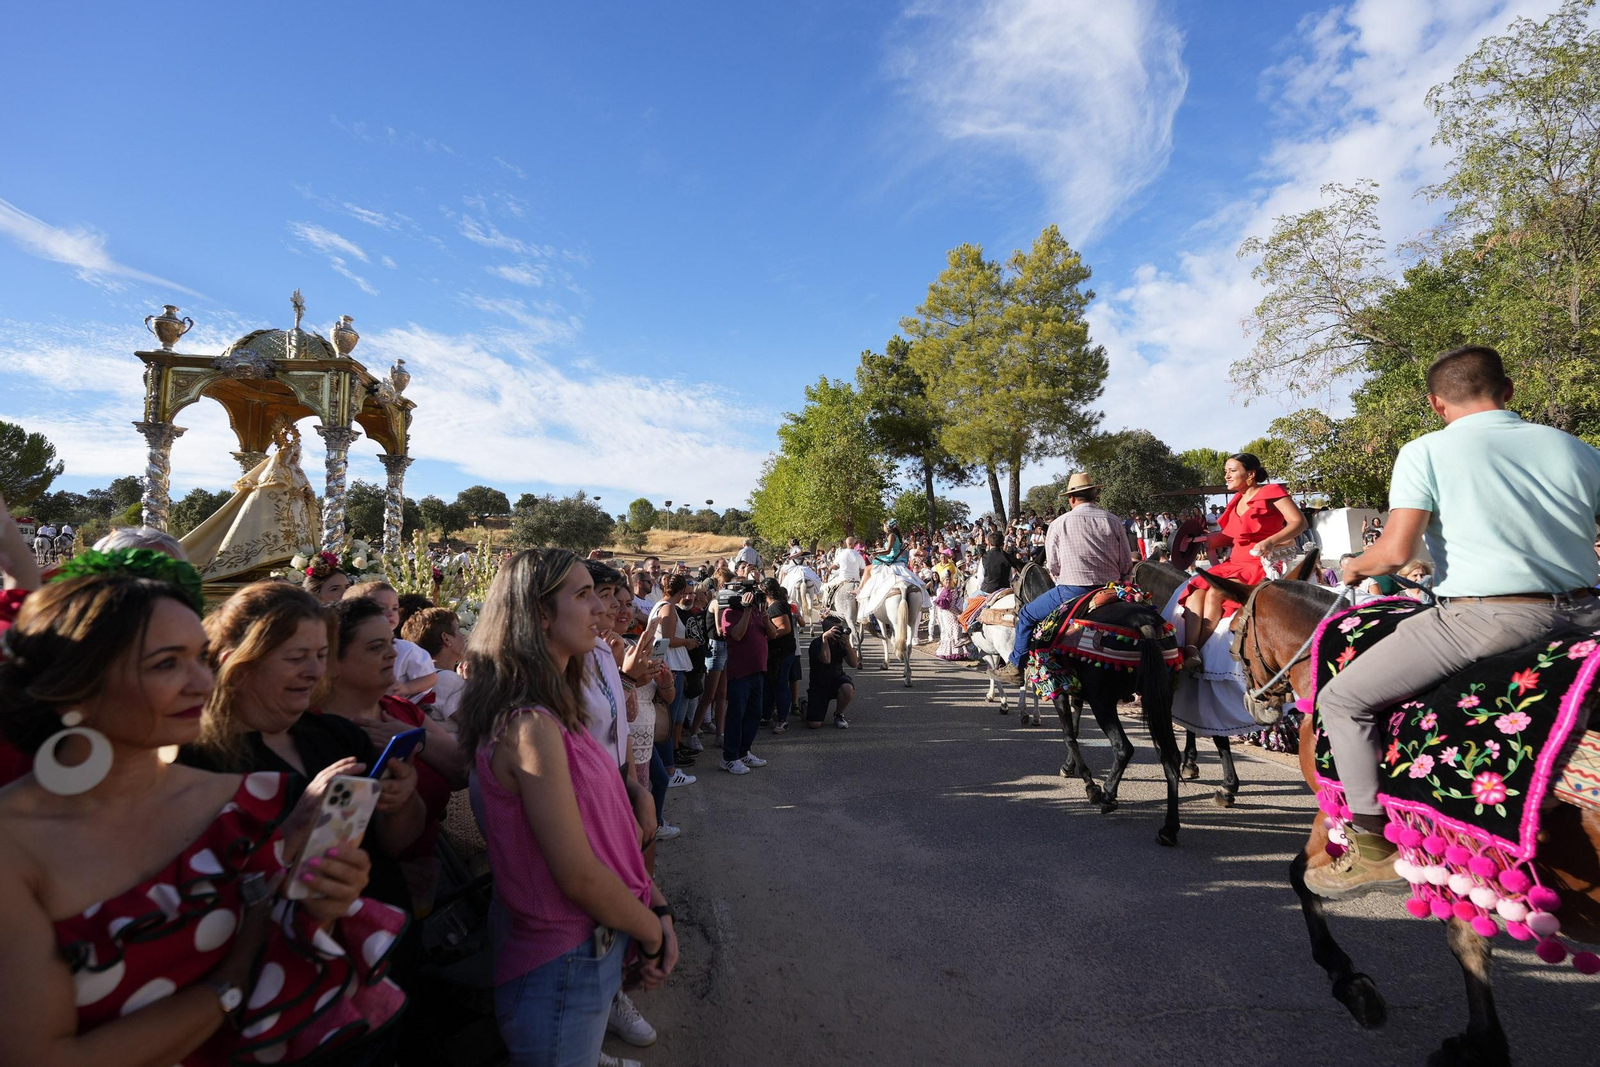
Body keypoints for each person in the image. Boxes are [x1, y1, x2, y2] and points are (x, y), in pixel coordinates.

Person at [0, 572, 402, 1066]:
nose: (203, 681)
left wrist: (314, 908)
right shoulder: (15, 846)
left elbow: (290, 980)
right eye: (168, 664)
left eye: (198, 657)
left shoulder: (245, 804)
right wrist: (228, 985)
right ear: (75, 686)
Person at [1306, 345, 1600, 898]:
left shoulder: (1427, 451)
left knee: (1341, 701)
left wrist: (1353, 565)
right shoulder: (1579, 449)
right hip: (1588, 614)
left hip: (1488, 618)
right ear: (1508, 391)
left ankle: (1372, 847)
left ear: (1436, 403)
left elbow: (1393, 554)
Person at [458, 549, 679, 1067]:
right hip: (560, 963)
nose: (600, 610)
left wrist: (657, 902)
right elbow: (577, 873)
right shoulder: (530, 723)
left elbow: (606, 829)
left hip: (579, 956)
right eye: (583, 596)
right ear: (539, 615)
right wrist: (651, 931)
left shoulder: (557, 705)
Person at [991, 472, 1134, 686]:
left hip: (1073, 591)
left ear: (1072, 499)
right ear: (1095, 495)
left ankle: (1016, 666)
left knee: (1027, 614)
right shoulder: (1113, 520)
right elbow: (1126, 565)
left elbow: (1054, 567)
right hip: (1112, 590)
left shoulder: (1059, 523)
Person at [1178, 453, 1307, 670]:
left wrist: (1270, 541)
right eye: (1226, 471)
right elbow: (1230, 537)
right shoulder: (1237, 500)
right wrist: (1202, 538)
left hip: (1259, 565)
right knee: (1196, 591)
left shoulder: (1271, 492)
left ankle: (1199, 649)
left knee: (1216, 592)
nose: (1226, 475)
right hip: (1233, 564)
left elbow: (1299, 522)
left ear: (1251, 474)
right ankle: (1190, 648)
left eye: (1232, 470)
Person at [719, 583, 777, 774]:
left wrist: (766, 618)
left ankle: (744, 752)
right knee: (736, 715)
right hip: (740, 673)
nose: (751, 600)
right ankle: (730, 757)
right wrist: (745, 611)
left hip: (758, 671)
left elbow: (773, 634)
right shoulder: (729, 613)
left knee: (754, 714)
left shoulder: (757, 612)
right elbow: (736, 635)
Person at [347, 581, 439, 701]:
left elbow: (430, 677)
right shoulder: (349, 649)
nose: (390, 613)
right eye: (381, 609)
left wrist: (406, 688)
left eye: (395, 608)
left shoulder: (406, 649)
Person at [403, 606, 467, 729]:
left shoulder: (421, 677)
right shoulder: (448, 678)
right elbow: (476, 723)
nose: (463, 636)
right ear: (446, 638)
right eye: (458, 630)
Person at [760, 578, 799, 733]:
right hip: (775, 653)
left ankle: (783, 720)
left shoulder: (777, 606)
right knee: (770, 685)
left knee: (781, 684)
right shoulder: (776, 604)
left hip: (781, 653)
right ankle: (766, 716)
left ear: (765, 592)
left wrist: (769, 636)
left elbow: (784, 627)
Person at [806, 614, 859, 728]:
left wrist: (847, 644)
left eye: (840, 629)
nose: (839, 632)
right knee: (814, 725)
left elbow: (854, 664)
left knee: (847, 687)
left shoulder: (840, 643)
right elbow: (826, 660)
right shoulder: (817, 643)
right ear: (827, 630)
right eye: (836, 629)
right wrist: (825, 639)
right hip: (819, 685)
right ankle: (804, 706)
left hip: (836, 679)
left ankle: (838, 714)